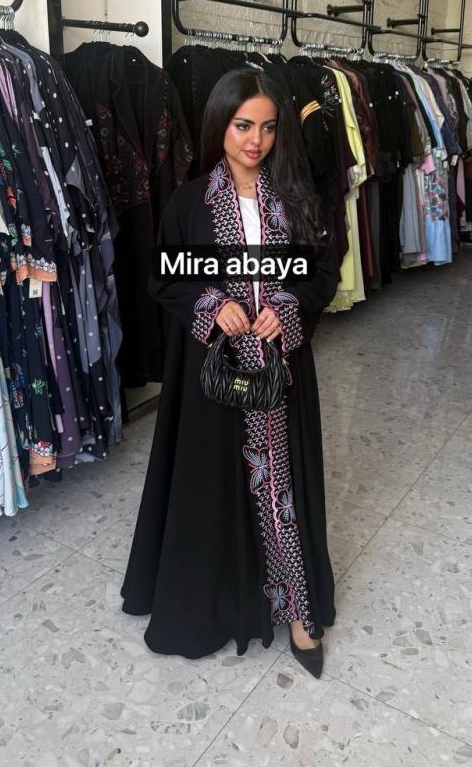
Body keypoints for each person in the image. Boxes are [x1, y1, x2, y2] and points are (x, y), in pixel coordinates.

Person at [120, 68, 340, 678]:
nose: (255, 141)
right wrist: (212, 305)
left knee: (283, 485)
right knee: (214, 485)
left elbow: (320, 272)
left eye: (267, 128)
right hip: (213, 375)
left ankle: (298, 610)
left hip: (280, 374)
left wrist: (286, 308)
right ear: (221, 123)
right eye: (244, 126)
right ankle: (220, 602)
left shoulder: (293, 199)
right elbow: (165, 276)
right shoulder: (190, 202)